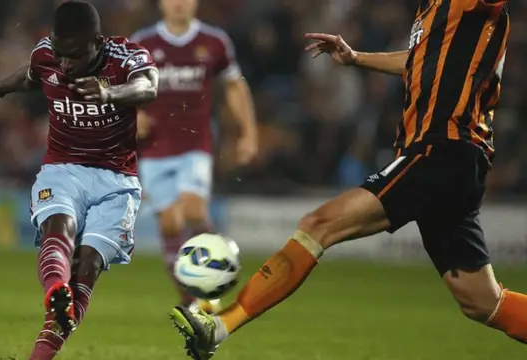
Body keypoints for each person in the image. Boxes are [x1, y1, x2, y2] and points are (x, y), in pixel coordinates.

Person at [169, 1, 524, 359]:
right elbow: (420, 61)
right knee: (482, 302)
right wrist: (356, 58)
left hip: (442, 150)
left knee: (318, 225)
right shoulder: (432, 11)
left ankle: (219, 327)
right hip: (452, 159)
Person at [0, 1, 158, 359]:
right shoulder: (47, 54)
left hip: (117, 181)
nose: (65, 64)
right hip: (63, 168)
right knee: (60, 227)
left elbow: (148, 87)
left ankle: (47, 336)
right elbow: (31, 76)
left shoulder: (125, 58)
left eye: (74, 56)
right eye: (60, 54)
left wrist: (110, 93)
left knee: (87, 265)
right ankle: (56, 287)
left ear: (98, 42)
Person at [130, 0, 257, 312]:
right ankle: (194, 299)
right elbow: (120, 88)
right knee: (171, 224)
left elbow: (234, 86)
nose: (178, 4)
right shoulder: (142, 43)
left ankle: (220, 270)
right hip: (155, 149)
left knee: (192, 208)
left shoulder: (214, 42)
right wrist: (132, 115)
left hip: (195, 144)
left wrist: (249, 132)